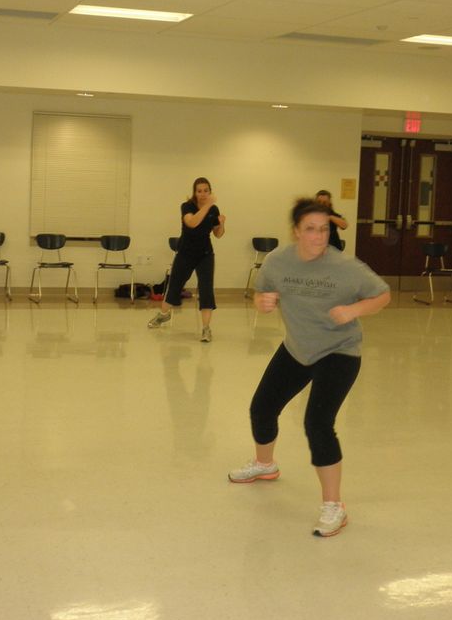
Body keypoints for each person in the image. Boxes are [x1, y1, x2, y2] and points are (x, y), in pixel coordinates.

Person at [228, 197, 390, 537]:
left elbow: (382, 295)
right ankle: (264, 464)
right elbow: (262, 294)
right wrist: (264, 302)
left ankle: (334, 507)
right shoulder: (277, 261)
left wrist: (354, 311)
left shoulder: (346, 267)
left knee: (317, 422)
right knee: (262, 407)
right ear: (296, 232)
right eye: (311, 230)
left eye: (324, 229)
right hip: (298, 348)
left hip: (339, 352)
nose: (319, 236)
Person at [148, 177, 226, 342]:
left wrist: (221, 224)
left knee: (206, 288)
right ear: (194, 193)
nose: (203, 194)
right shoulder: (187, 207)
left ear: (210, 191)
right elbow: (192, 223)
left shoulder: (214, 209)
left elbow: (218, 234)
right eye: (199, 191)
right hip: (185, 253)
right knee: (175, 285)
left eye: (206, 191)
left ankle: (206, 329)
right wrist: (207, 206)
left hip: (205, 254)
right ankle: (163, 315)